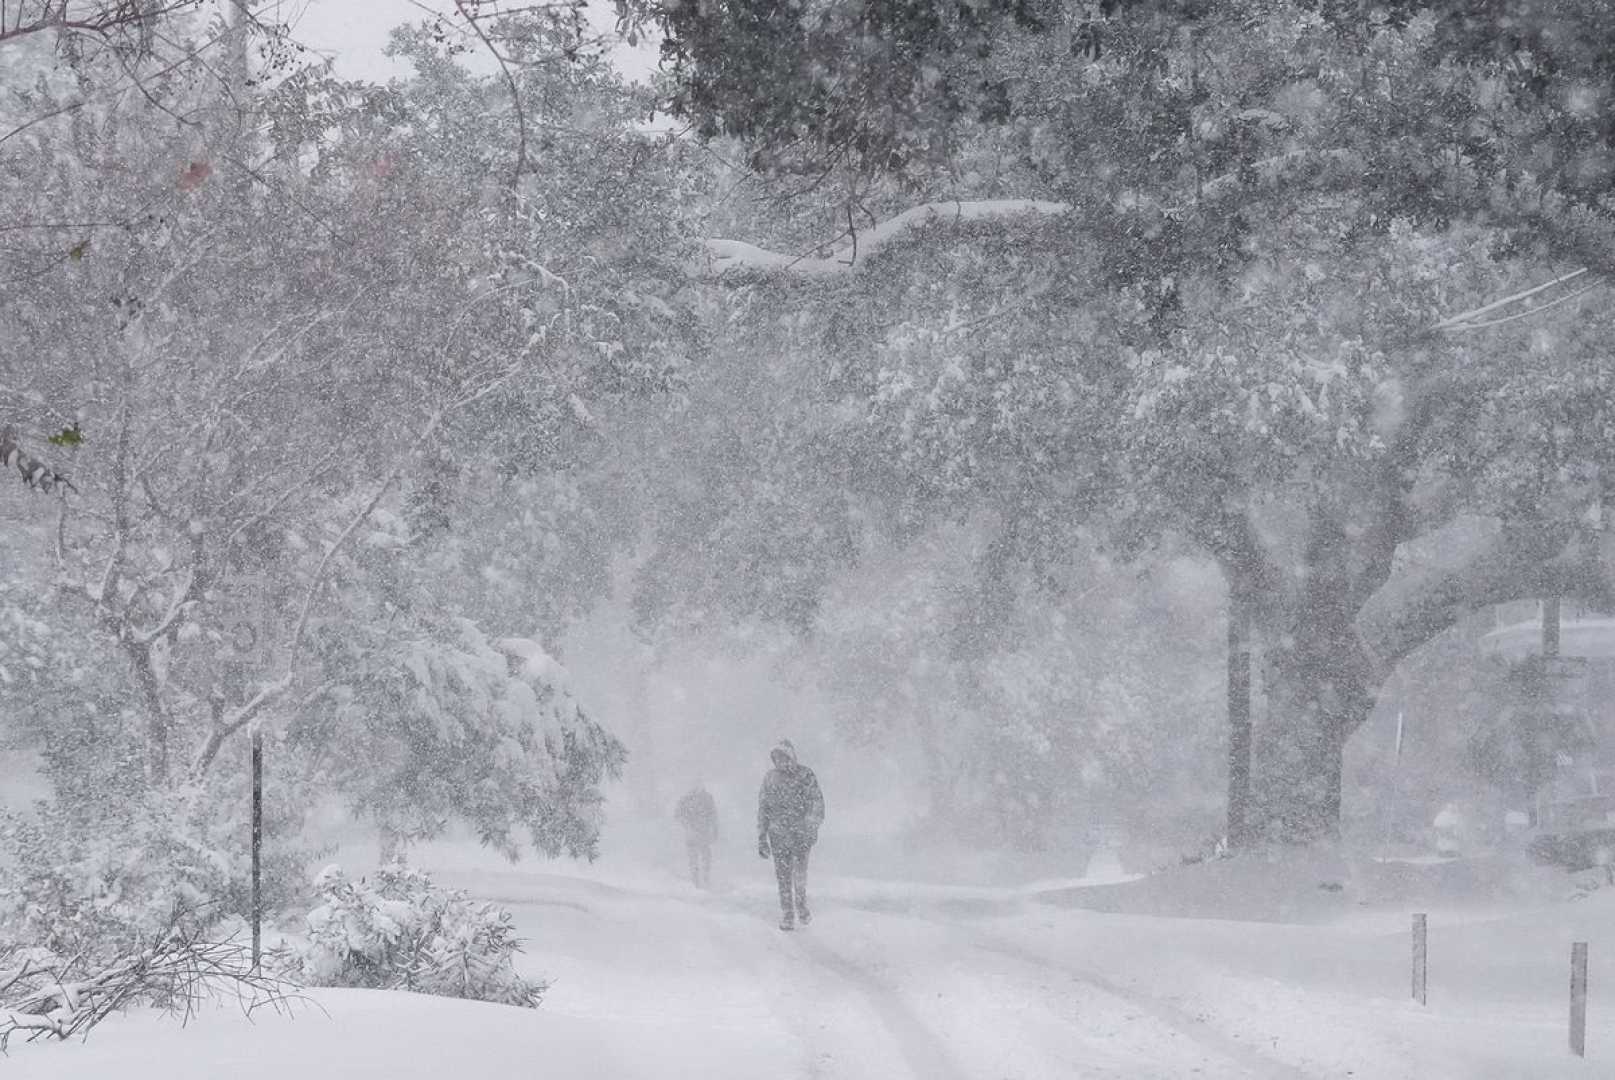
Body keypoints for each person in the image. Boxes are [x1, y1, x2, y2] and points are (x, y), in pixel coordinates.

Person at [756, 739, 824, 930]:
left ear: (791, 756)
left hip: (800, 835)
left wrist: (811, 826)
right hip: (778, 837)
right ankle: (788, 913)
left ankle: (801, 906)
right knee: (783, 877)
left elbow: (817, 803)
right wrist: (762, 837)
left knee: (799, 874)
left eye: (782, 757)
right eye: (776, 758)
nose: (779, 761)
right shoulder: (770, 778)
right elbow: (764, 809)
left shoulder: (805, 775)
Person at [675, 780, 719, 888]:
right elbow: (713, 815)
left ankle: (701, 880)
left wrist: (714, 830)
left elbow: (713, 815)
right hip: (697, 833)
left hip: (699, 833)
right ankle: (699, 880)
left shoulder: (690, 798)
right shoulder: (702, 798)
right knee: (700, 857)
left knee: (700, 857)